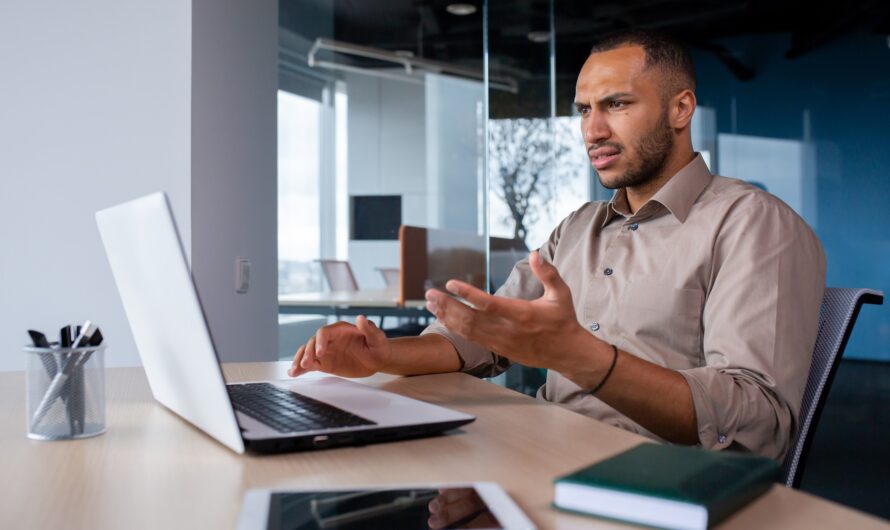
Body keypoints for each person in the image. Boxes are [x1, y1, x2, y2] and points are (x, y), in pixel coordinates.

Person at [288, 30, 825, 460]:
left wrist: (579, 356)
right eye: (583, 110)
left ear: (680, 109)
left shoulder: (755, 223)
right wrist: (385, 356)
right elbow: (482, 336)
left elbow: (759, 423)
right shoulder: (578, 227)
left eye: (616, 104)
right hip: (543, 454)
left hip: (658, 478)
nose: (592, 130)